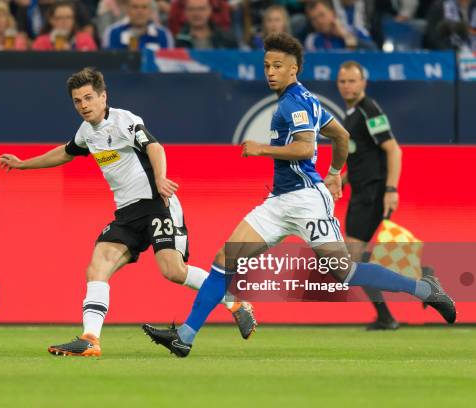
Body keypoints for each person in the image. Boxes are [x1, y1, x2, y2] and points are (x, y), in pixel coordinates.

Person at [142, 33, 456, 358]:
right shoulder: (306, 99)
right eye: (266, 65)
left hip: (307, 201)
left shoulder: (293, 102)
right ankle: (185, 337)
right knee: (225, 260)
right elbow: (341, 136)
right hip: (279, 201)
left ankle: (424, 289)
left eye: (278, 65)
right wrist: (335, 173)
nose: (270, 71)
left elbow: (306, 147)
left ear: (294, 70)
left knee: (344, 271)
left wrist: (262, 148)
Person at [0, 68, 257, 357]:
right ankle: (90, 339)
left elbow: (156, 147)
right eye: (77, 101)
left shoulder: (125, 121)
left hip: (157, 204)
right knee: (96, 268)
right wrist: (24, 164)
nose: (83, 105)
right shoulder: (86, 133)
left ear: (103, 97)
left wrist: (160, 178)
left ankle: (236, 301)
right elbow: (66, 152)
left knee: (173, 271)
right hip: (126, 214)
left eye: (88, 98)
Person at [336, 60, 403, 330]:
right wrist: (340, 180)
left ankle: (399, 304)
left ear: (363, 82)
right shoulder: (351, 115)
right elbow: (361, 157)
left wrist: (391, 189)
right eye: (342, 81)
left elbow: (393, 150)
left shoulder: (369, 110)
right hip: (360, 192)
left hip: (373, 193)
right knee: (353, 259)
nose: (347, 86)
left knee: (350, 258)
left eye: (352, 81)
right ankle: (387, 314)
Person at [304, 0, 377, 51]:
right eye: (313, 19)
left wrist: (345, 36)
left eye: (322, 15)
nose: (319, 21)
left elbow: (374, 51)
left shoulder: (357, 31)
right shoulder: (312, 40)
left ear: (333, 13)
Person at [102, 0, 173, 50]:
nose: (140, 11)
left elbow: (169, 65)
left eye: (144, 7)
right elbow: (110, 63)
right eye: (135, 7)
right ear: (127, 9)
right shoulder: (113, 32)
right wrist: (133, 40)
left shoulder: (163, 34)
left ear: (150, 10)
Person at [32, 1, 97, 51]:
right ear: (51, 20)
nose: (64, 21)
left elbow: (93, 64)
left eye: (68, 17)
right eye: (60, 18)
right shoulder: (41, 42)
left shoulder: (85, 39)